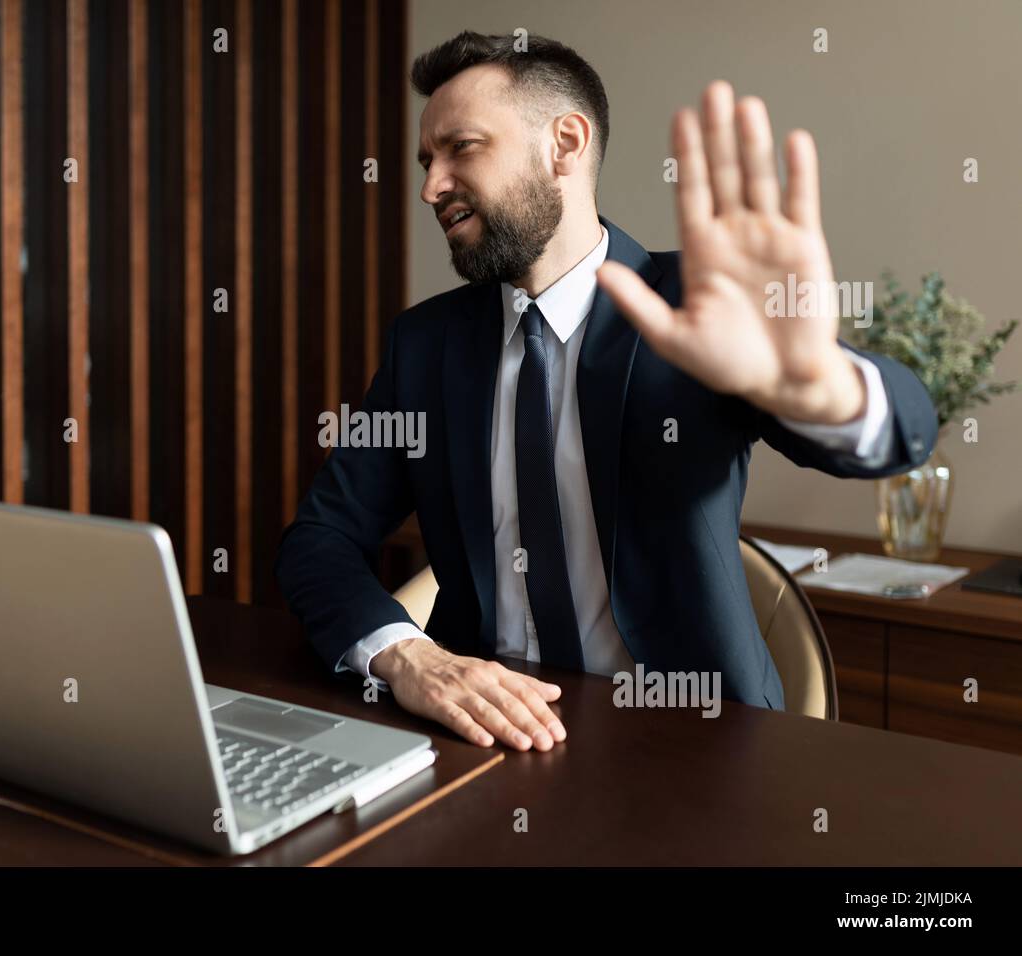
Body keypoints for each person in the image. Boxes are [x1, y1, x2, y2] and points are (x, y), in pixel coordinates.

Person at [275, 31, 936, 752]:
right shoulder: (423, 345)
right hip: (485, 746)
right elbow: (321, 538)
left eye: (460, 148)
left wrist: (823, 390)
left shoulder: (695, 305)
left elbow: (907, 426)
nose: (432, 185)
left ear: (564, 144)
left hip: (697, 753)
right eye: (426, 162)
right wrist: (408, 658)